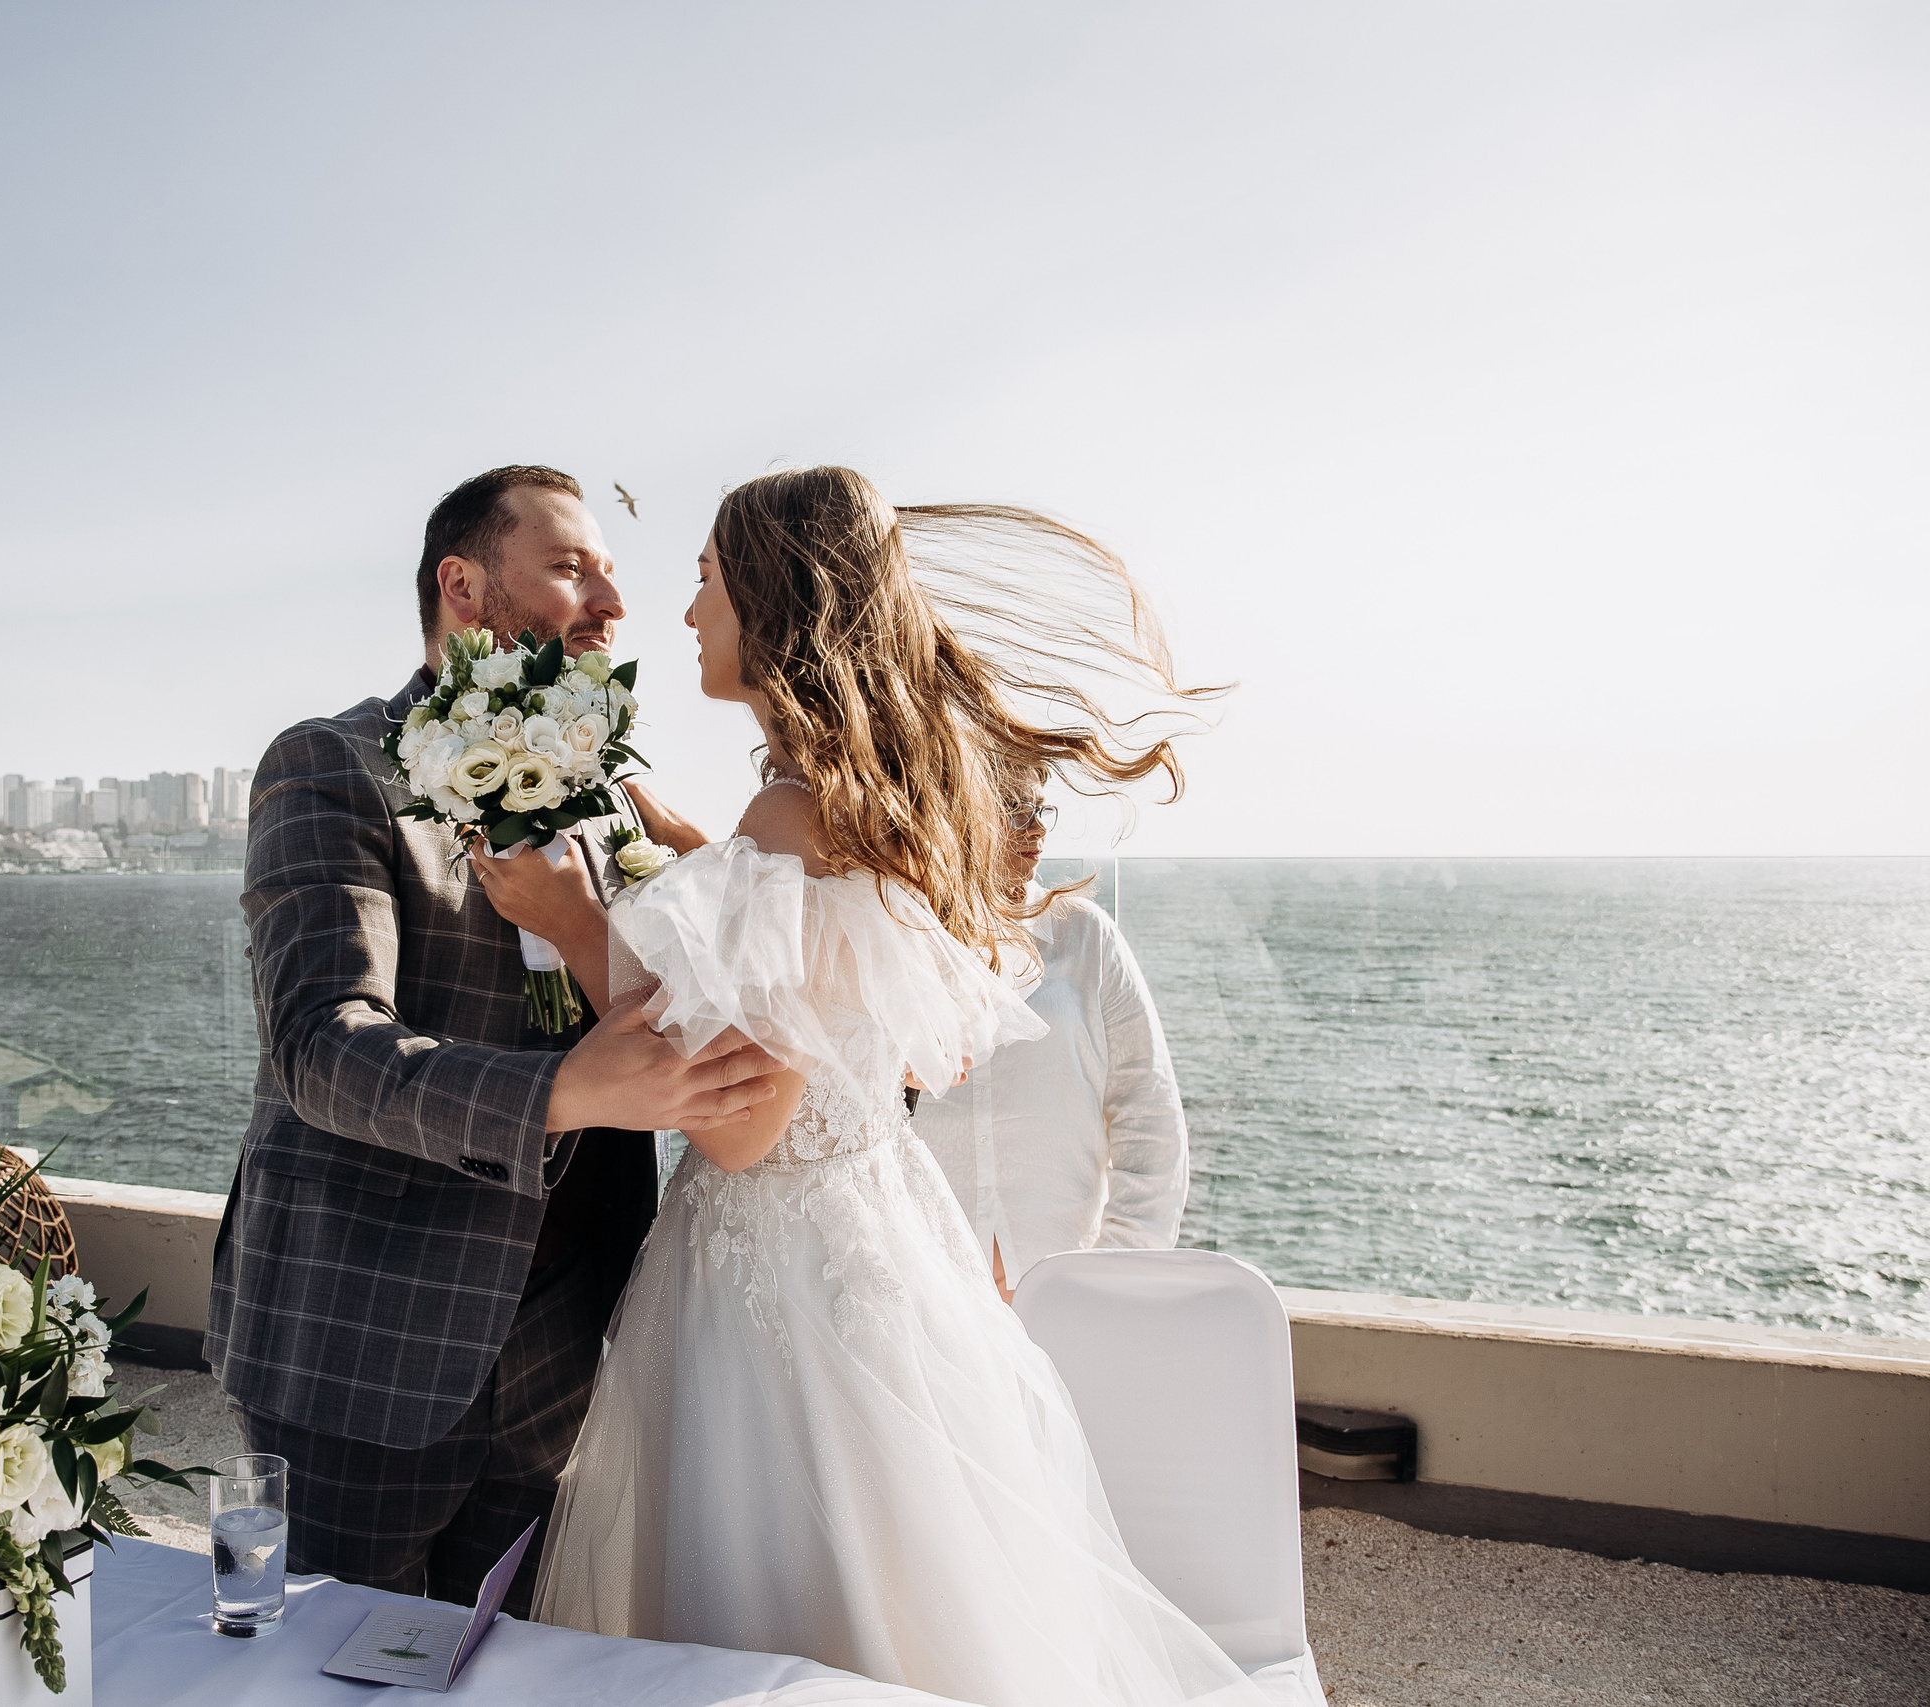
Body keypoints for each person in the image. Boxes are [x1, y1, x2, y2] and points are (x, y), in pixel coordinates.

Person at [474, 467, 1316, 1706]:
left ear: (773, 600)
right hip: (869, 1236)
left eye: (707, 582)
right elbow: (827, 986)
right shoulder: (872, 802)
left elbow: (742, 1125)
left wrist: (574, 923)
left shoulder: (787, 815)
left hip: (773, 1278)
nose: (689, 612)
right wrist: (695, 855)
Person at [204, 464, 779, 1618]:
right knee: (336, 1672)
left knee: (507, 1668)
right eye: (570, 569)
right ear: (461, 588)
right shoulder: (333, 765)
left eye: (611, 573)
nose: (612, 605)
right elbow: (322, 1048)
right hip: (370, 1346)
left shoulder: (611, 794)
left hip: (565, 1351)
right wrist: (567, 1091)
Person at [912, 773, 1190, 1302]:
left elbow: (1150, 1120)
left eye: (1040, 809)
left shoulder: (1086, 937)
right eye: (1013, 808)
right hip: (927, 1295)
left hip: (1071, 1297)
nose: (1036, 828)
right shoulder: (904, 938)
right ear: (955, 811)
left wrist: (1113, 1276)